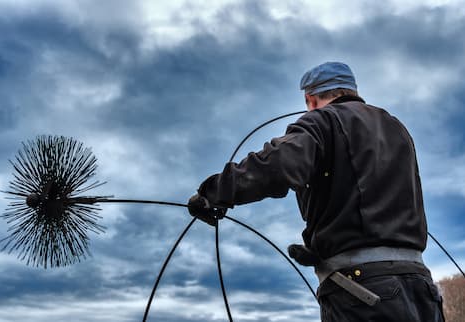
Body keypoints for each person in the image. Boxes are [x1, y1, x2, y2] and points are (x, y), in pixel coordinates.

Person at [187, 62, 445, 321]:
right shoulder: (397, 128)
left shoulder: (322, 120)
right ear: (351, 90)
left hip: (364, 291)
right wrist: (319, 249)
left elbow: (277, 165)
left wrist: (211, 194)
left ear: (310, 99)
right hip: (422, 289)